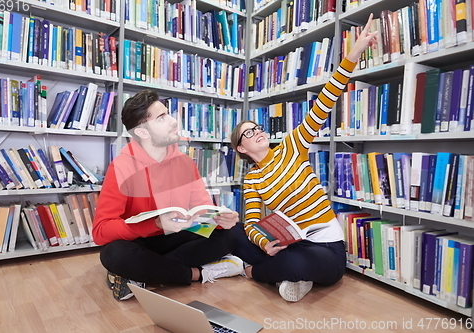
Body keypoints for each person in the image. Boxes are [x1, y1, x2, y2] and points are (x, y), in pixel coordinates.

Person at [229, 14, 379, 302]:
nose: (258, 132)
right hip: (289, 243)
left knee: (297, 264)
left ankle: (252, 272)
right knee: (233, 233)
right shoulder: (253, 179)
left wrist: (353, 54)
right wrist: (265, 242)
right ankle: (279, 274)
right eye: (249, 134)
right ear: (242, 149)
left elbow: (324, 102)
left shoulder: (291, 146)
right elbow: (251, 224)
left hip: (324, 247)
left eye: (258, 128)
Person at [92, 89, 243, 301]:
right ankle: (196, 274)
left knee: (230, 235)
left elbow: (203, 211)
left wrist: (220, 220)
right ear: (143, 132)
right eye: (162, 118)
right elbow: (100, 232)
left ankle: (139, 275)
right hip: (140, 240)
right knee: (114, 254)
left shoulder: (185, 162)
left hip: (176, 236)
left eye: (168, 114)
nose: (173, 121)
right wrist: (155, 224)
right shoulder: (121, 167)